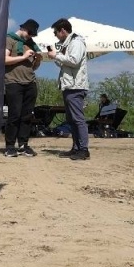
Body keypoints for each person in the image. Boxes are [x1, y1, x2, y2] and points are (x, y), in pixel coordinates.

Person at [44, 17, 90, 161]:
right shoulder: (69, 43)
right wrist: (56, 57)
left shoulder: (76, 42)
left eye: (56, 33)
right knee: (72, 119)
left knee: (78, 119)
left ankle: (83, 149)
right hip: (69, 86)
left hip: (75, 86)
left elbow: (74, 61)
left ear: (63, 30)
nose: (56, 36)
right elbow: (66, 63)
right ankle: (76, 147)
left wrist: (56, 55)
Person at [3, 18, 42, 157]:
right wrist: (24, 57)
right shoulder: (10, 39)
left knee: (27, 116)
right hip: (13, 82)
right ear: (24, 29)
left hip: (30, 83)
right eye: (30, 33)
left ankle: (23, 145)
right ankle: (9, 146)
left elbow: (34, 67)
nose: (31, 37)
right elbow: (4, 60)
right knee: (14, 115)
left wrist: (38, 60)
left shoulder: (31, 44)